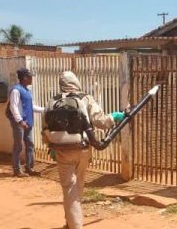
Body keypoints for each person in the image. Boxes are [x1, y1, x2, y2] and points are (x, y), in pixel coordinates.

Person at [41, 71, 125, 229]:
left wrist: (50, 146)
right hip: (83, 148)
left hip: (61, 151)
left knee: (68, 187)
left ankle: (73, 224)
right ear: (76, 82)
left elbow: (45, 128)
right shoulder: (86, 98)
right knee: (78, 184)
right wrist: (115, 116)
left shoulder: (52, 101)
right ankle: (73, 222)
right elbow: (101, 121)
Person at [7, 68, 44, 177]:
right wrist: (20, 121)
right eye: (30, 77)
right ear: (24, 78)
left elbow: (30, 106)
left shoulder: (27, 90)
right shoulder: (16, 90)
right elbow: (13, 106)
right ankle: (17, 170)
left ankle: (29, 167)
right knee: (18, 146)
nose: (32, 79)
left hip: (27, 122)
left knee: (30, 144)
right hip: (19, 122)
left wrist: (44, 109)